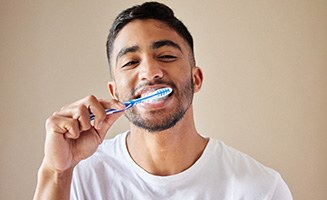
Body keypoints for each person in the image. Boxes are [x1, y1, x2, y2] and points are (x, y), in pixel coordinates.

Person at [33, 2, 293, 200]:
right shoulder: (80, 176)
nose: (149, 72)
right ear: (115, 92)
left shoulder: (261, 189)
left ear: (196, 79)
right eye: (131, 62)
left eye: (166, 56)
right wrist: (57, 173)